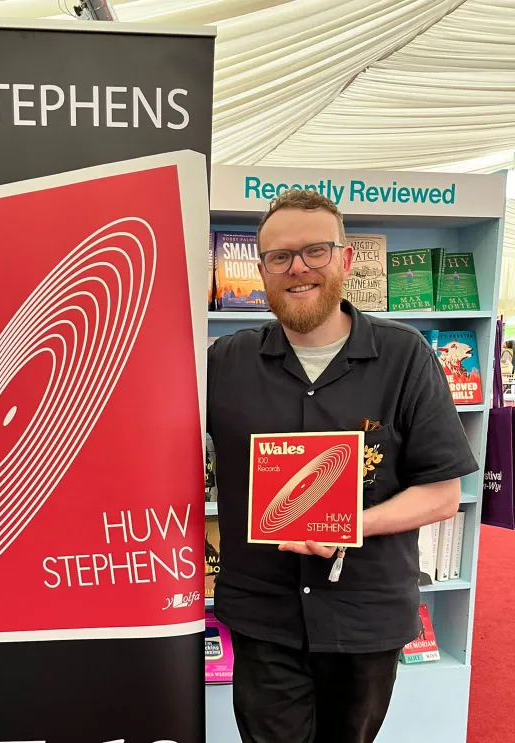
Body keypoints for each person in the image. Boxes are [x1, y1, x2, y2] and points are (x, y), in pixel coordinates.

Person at [207, 189, 478, 743]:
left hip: (365, 614)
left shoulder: (406, 356)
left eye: (315, 252)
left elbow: (443, 494)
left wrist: (350, 524)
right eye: (279, 256)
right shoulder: (223, 362)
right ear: (261, 269)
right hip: (264, 615)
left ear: (345, 260)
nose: (297, 268)